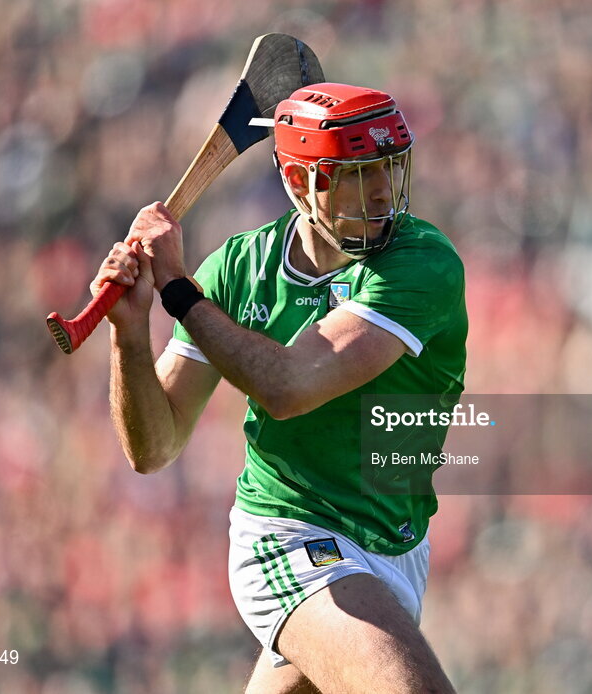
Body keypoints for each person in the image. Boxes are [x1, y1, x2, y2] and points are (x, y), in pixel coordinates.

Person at [90, 82, 466, 694]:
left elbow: (291, 385)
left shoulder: (421, 263)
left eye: (388, 167)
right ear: (301, 183)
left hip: (395, 545)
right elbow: (152, 447)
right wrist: (128, 335)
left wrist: (180, 294)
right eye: (358, 173)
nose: (381, 192)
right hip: (290, 535)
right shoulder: (238, 270)